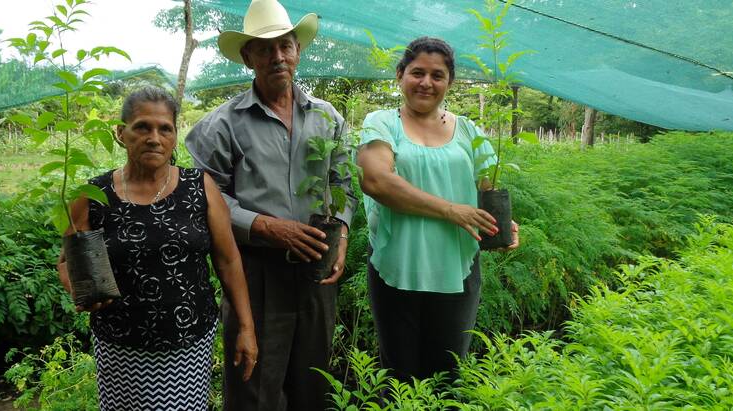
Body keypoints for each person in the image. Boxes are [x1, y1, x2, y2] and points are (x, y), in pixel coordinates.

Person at [185, 1, 356, 409]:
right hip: (255, 273)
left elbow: (343, 182)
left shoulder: (327, 118)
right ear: (248, 58)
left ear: (298, 51)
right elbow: (206, 197)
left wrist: (343, 233)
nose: (277, 56)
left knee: (313, 382)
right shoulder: (222, 124)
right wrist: (265, 226)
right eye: (265, 48)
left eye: (285, 45)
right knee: (254, 387)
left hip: (316, 269)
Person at [56, 86, 258, 410]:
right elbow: (68, 259)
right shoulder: (93, 194)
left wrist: (247, 327)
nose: (154, 138)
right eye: (142, 127)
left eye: (165, 129)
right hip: (121, 347)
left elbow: (228, 261)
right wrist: (80, 288)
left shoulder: (199, 188)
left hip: (189, 344)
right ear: (121, 133)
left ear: (175, 136)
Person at [356, 37, 520, 382]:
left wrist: (503, 225)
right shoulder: (382, 123)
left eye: (437, 75)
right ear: (400, 75)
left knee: (448, 375)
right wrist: (450, 210)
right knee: (399, 376)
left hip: (455, 267)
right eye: (417, 73)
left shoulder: (469, 132)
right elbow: (376, 180)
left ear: (450, 82)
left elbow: (486, 190)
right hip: (398, 265)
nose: (426, 83)